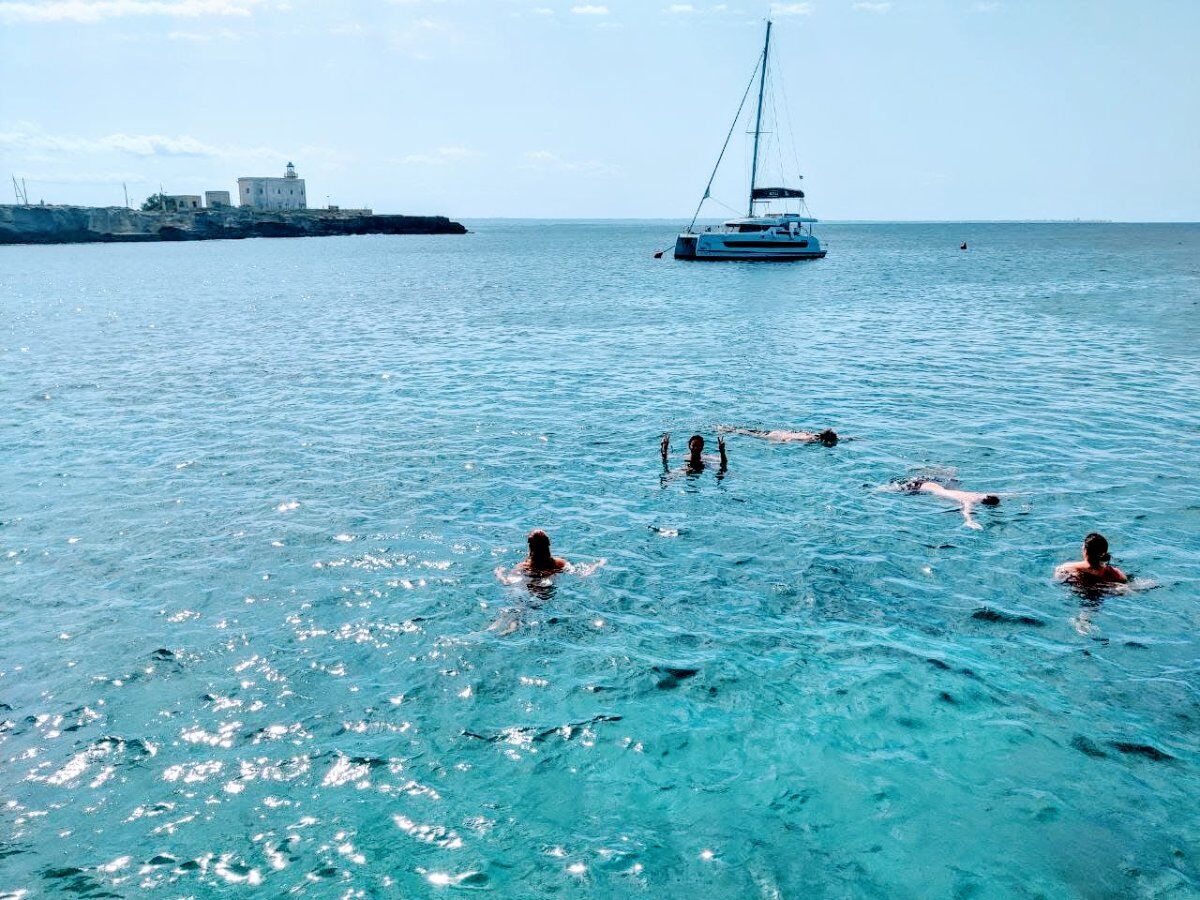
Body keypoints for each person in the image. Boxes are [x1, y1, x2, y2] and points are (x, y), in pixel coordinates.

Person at [896, 477, 1000, 530]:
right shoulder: (969, 501)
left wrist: (1014, 494)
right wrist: (969, 521)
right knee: (893, 489)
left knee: (901, 485)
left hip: (931, 485)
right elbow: (966, 512)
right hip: (923, 488)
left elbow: (999, 494)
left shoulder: (977, 495)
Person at [1056, 533, 1128, 586]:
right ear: (1104, 552)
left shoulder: (1067, 567)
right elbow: (1126, 583)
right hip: (1104, 592)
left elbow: (1057, 579)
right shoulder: (1115, 573)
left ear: (1085, 549)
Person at [661, 432, 727, 475]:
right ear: (689, 446)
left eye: (698, 446)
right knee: (669, 476)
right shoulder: (684, 457)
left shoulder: (707, 458)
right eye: (693, 446)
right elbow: (665, 459)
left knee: (722, 472)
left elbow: (723, 462)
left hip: (703, 467)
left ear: (702, 447)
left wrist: (722, 451)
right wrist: (665, 449)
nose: (695, 448)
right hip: (688, 468)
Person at [720, 426, 838, 446]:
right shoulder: (811, 439)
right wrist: (782, 443)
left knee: (753, 433)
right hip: (778, 437)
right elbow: (794, 439)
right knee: (751, 435)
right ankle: (729, 431)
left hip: (778, 432)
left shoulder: (814, 435)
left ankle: (730, 430)